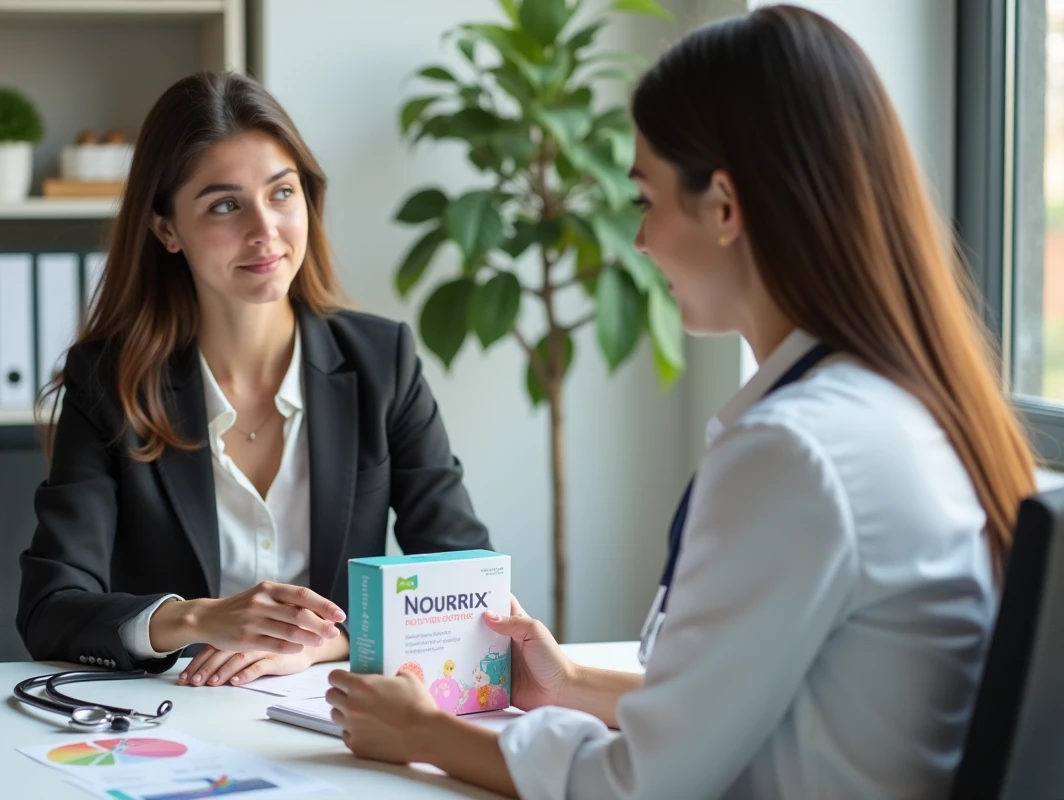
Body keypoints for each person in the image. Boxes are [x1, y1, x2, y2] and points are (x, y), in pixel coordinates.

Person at [323, 6, 1038, 798]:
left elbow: (641, 785)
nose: (640, 242)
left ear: (724, 206)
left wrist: (422, 733)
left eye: (645, 200)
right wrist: (567, 684)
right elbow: (759, 710)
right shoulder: (895, 411)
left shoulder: (796, 452)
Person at [17, 71, 492, 687]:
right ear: (165, 228)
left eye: (282, 193)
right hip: (171, 721)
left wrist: (322, 645)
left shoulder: (383, 361)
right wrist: (196, 620)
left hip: (332, 720)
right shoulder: (109, 383)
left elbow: (466, 579)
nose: (264, 229)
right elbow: (50, 610)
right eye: (224, 205)